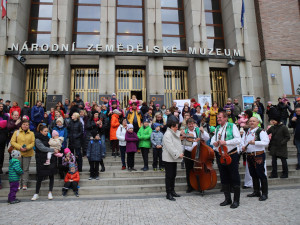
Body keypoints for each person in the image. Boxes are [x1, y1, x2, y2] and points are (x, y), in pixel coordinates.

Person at [211, 111, 241, 208]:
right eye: (217, 117)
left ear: (225, 118)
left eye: (220, 117)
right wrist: (214, 143)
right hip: (220, 156)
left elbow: (238, 140)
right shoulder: (217, 128)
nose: (218, 119)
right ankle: (227, 199)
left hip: (231, 155)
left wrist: (226, 142)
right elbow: (212, 140)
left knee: (234, 177)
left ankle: (236, 200)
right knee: (224, 177)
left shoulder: (232, 126)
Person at [241, 117, 270, 201]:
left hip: (258, 155)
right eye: (250, 121)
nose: (251, 122)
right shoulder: (247, 131)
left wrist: (255, 142)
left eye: (253, 121)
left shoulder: (261, 131)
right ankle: (256, 191)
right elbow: (243, 141)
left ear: (257, 122)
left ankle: (264, 193)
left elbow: (266, 142)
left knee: (261, 173)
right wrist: (243, 147)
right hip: (249, 155)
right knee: (253, 173)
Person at [31, 125, 59, 201]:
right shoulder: (37, 139)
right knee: (39, 176)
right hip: (41, 159)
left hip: (49, 158)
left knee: (51, 175)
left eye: (47, 131)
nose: (46, 133)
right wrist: (52, 150)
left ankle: (50, 192)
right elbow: (42, 148)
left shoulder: (49, 138)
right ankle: (36, 193)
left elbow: (53, 144)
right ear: (41, 131)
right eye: (45, 131)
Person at [182, 118, 210, 193]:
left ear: (194, 123)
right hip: (188, 152)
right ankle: (190, 186)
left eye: (192, 123)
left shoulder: (198, 130)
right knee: (189, 170)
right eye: (189, 124)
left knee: (199, 169)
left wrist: (203, 131)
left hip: (198, 152)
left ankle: (200, 185)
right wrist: (193, 141)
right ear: (187, 125)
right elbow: (183, 144)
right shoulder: (185, 132)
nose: (191, 125)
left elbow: (207, 138)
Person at [10, 119, 35, 190]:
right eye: (24, 124)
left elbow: (32, 143)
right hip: (18, 153)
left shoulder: (31, 133)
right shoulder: (16, 132)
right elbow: (12, 141)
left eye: (27, 125)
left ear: (29, 126)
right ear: (21, 125)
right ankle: (18, 183)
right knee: (18, 169)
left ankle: (24, 184)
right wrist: (19, 147)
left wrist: (27, 148)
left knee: (25, 169)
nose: (25, 126)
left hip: (28, 153)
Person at [163, 120, 184, 201]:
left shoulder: (173, 132)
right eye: (176, 127)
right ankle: (168, 193)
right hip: (168, 158)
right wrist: (178, 154)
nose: (177, 129)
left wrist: (182, 133)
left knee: (173, 175)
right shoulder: (167, 134)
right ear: (171, 127)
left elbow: (178, 134)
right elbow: (170, 147)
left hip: (173, 158)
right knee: (169, 176)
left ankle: (172, 191)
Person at [0, 103, 8, 174]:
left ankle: (0, 167)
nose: (1, 107)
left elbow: (7, 125)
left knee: (1, 153)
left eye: (2, 106)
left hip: (2, 136)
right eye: (0, 106)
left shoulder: (5, 115)